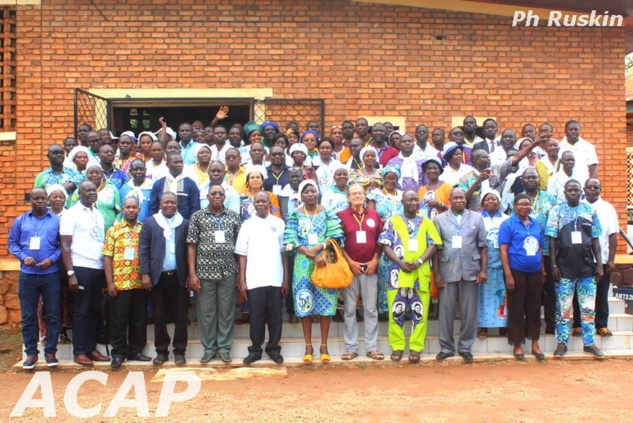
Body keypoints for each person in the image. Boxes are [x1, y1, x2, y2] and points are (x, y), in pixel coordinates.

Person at [282, 180, 344, 364]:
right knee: (304, 302)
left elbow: (335, 235)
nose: (310, 194)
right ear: (300, 196)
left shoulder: (328, 212)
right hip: (302, 263)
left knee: (326, 302)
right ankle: (308, 346)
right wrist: (308, 252)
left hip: (325, 260)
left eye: (313, 191)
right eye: (306, 192)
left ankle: (324, 346)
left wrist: (317, 248)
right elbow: (289, 240)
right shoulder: (293, 214)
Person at [379, 190, 442, 362]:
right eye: (409, 199)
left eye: (416, 199)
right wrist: (400, 264)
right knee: (395, 314)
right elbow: (385, 245)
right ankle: (397, 347)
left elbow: (434, 245)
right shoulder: (392, 222)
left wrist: (420, 261)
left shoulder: (426, 222)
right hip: (397, 276)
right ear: (402, 201)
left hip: (420, 275)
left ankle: (415, 348)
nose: (413, 202)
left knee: (419, 314)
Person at [545, 180, 604, 358]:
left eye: (576, 190)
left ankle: (589, 343)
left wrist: (599, 264)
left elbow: (595, 239)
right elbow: (552, 240)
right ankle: (562, 343)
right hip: (563, 269)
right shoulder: (557, 211)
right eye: (569, 190)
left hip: (587, 268)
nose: (573, 193)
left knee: (587, 308)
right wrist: (553, 265)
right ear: (564, 192)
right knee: (563, 308)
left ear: (581, 192)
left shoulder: (590, 211)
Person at [187, 184, 243, 364]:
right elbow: (191, 246)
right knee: (206, 312)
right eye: (214, 193)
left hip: (228, 271)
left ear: (225, 196)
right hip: (204, 272)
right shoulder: (197, 217)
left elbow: (241, 248)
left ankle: (225, 348)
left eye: (220, 193)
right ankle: (209, 348)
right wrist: (192, 274)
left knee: (226, 311)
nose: (217, 196)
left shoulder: (234, 217)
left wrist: (241, 274)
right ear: (207, 196)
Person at [9, 188, 62, 369]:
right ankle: (31, 353)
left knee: (54, 315)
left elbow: (63, 246)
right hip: (28, 276)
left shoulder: (56, 221)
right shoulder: (20, 221)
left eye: (42, 198)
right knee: (28, 316)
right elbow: (12, 243)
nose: (40, 201)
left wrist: (52, 259)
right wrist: (24, 257)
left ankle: (50, 352)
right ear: (30, 200)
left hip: (51, 275)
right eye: (36, 198)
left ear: (46, 200)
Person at [433, 188, 487, 361]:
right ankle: (446, 347)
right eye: (455, 198)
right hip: (447, 269)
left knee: (469, 311)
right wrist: (436, 273)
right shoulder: (439, 219)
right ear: (449, 200)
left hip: (471, 269)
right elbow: (435, 249)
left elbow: (483, 246)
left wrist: (483, 269)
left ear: (466, 199)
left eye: (462, 198)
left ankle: (465, 347)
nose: (459, 201)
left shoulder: (477, 217)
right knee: (446, 310)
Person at [60, 180, 110, 366]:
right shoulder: (71, 214)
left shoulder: (98, 214)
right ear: (79, 193)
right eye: (87, 190)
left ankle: (90, 348)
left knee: (94, 309)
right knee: (82, 310)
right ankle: (79, 351)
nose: (91, 193)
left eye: (93, 190)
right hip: (81, 267)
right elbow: (65, 245)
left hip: (97, 268)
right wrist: (70, 272)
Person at [236, 191, 289, 365]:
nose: (260, 204)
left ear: (269, 204)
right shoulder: (247, 225)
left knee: (275, 317)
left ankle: (273, 349)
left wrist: (285, 279)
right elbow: (242, 255)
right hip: (254, 278)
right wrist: (242, 280)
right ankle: (255, 350)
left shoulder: (279, 223)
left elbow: (284, 253)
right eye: (257, 201)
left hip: (275, 277)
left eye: (263, 201)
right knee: (256, 317)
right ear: (253, 203)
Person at [139, 192, 190, 365]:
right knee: (158, 317)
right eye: (166, 202)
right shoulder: (150, 223)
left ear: (177, 205)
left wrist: (191, 274)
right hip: (157, 277)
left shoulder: (184, 224)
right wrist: (145, 273)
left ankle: (180, 351)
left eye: (173, 202)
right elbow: (143, 249)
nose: (169, 205)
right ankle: (161, 351)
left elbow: (190, 251)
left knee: (181, 317)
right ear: (160, 203)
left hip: (179, 276)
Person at [103, 197, 150, 368]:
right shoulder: (113, 230)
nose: (131, 210)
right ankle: (119, 353)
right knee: (118, 320)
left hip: (139, 282)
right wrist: (110, 283)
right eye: (128, 207)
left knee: (139, 319)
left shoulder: (144, 230)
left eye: (134, 207)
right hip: (120, 283)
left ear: (139, 209)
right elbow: (107, 257)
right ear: (122, 209)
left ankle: (136, 351)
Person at [338, 185, 383, 361]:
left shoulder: (374, 215)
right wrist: (350, 262)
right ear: (348, 198)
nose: (357, 195)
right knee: (349, 309)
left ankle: (372, 347)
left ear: (365, 197)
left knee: (371, 309)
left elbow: (382, 240)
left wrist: (375, 260)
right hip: (350, 269)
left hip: (371, 267)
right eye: (353, 193)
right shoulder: (342, 216)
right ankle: (351, 348)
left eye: (360, 193)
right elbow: (338, 242)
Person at [499, 193, 545, 360]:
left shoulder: (535, 224)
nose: (524, 207)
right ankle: (517, 344)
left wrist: (543, 271)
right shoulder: (508, 224)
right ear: (514, 206)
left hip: (535, 271)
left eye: (527, 204)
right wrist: (508, 275)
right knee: (517, 308)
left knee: (534, 308)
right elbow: (503, 251)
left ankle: (535, 343)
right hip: (516, 271)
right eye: (521, 204)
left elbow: (539, 248)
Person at [571, 178, 618, 337]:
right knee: (580, 292)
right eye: (589, 187)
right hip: (580, 259)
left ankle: (601, 325)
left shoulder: (608, 208)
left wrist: (611, 260)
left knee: (601, 293)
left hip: (601, 259)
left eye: (595, 187)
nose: (592, 189)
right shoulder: (577, 207)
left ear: (600, 189)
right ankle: (577, 324)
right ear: (584, 189)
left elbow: (612, 235)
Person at [367, 165, 403, 321]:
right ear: (383, 179)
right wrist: (390, 221)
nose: (390, 181)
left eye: (393, 178)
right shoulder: (374, 195)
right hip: (381, 240)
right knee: (383, 275)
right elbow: (371, 217)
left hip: (400, 240)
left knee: (399, 274)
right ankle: (383, 309)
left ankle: (399, 307)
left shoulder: (402, 195)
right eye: (388, 178)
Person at [476, 191, 509, 340]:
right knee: (483, 296)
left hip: (502, 263)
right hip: (483, 264)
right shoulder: (477, 219)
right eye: (487, 199)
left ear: (499, 202)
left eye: (494, 198)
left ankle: (503, 325)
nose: (490, 201)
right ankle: (483, 326)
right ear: (482, 203)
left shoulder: (507, 219)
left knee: (503, 295)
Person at [68, 164, 121, 232]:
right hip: (84, 232)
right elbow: (73, 211)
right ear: (86, 175)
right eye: (91, 173)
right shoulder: (79, 191)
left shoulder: (112, 189)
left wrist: (115, 225)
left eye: (97, 173)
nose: (94, 175)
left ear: (102, 175)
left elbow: (119, 211)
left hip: (110, 232)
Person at [149, 152, 200, 220]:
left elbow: (195, 207)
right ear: (167, 165)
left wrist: (188, 224)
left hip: (184, 226)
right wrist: (157, 223)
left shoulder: (190, 184)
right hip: (161, 225)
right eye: (176, 162)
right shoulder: (159, 183)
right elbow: (152, 206)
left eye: (181, 162)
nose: (179, 165)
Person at [187, 144, 212, 208]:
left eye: (207, 152)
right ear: (196, 155)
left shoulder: (215, 167)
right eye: (201, 153)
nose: (205, 154)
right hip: (194, 198)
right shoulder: (189, 169)